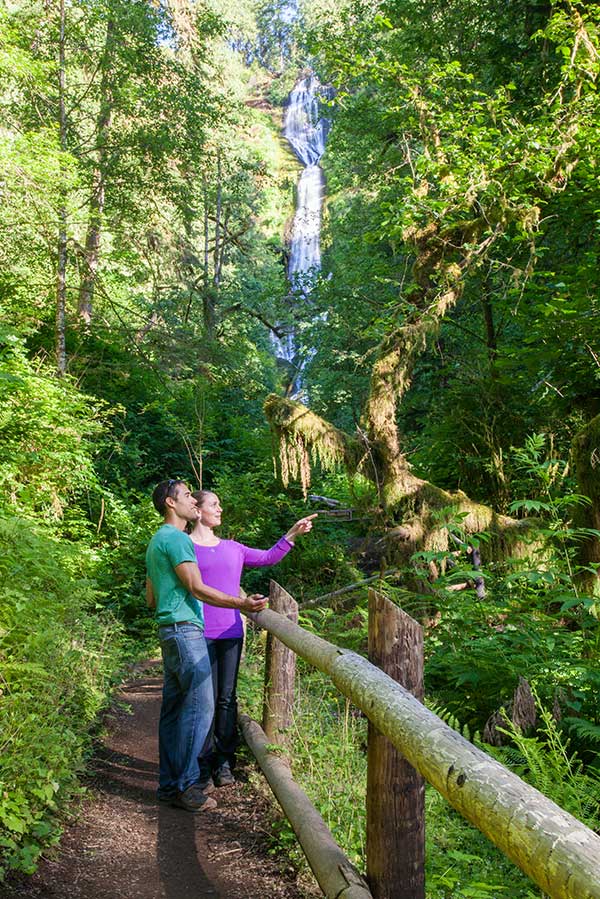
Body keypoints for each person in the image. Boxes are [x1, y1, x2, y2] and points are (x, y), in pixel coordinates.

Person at [145, 479, 267, 812]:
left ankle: (169, 785)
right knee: (201, 708)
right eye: (187, 497)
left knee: (173, 710)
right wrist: (241, 603)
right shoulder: (179, 541)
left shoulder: (157, 540)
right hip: (186, 631)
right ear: (171, 503)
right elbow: (197, 589)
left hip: (167, 630)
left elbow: (150, 596)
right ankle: (187, 785)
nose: (193, 503)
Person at [189, 489, 316, 788]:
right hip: (197, 632)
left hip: (230, 632)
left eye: (220, 503)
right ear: (196, 510)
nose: (220, 508)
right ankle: (201, 765)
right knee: (203, 700)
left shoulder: (233, 548)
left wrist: (292, 533)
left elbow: (269, 557)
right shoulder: (184, 547)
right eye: (214, 504)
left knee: (226, 698)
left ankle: (223, 763)